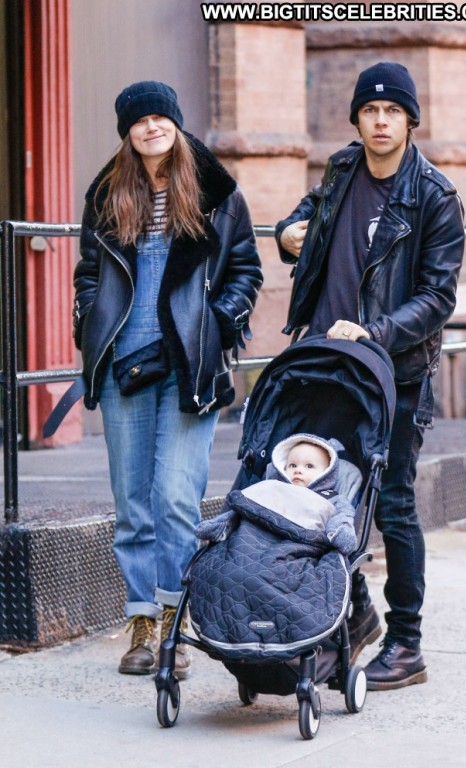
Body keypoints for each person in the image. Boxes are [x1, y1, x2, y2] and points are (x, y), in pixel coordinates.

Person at [275, 62, 465, 690]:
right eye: (370, 111)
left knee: (393, 504)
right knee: (324, 493)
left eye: (392, 112)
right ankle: (351, 617)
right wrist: (286, 232)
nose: (381, 122)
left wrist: (375, 331)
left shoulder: (434, 196)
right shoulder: (340, 169)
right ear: (356, 119)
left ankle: (407, 644)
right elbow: (303, 216)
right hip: (326, 367)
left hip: (394, 376)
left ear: (410, 121)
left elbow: (437, 297)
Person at [72, 81, 262, 677]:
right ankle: (142, 620)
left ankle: (175, 624)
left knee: (175, 497)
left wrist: (219, 323)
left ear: (176, 123)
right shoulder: (107, 194)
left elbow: (246, 268)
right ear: (126, 132)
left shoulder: (215, 192)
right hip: (123, 365)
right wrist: (88, 322)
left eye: (161, 117)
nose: (151, 127)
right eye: (139, 120)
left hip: (189, 366)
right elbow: (88, 272)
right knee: (133, 502)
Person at [197, 433, 361, 555]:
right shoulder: (272, 487)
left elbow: (343, 518)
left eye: (309, 466)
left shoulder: (331, 498)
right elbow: (245, 507)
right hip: (257, 541)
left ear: (327, 473)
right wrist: (222, 524)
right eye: (292, 465)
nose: (298, 470)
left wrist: (340, 532)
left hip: (305, 547)